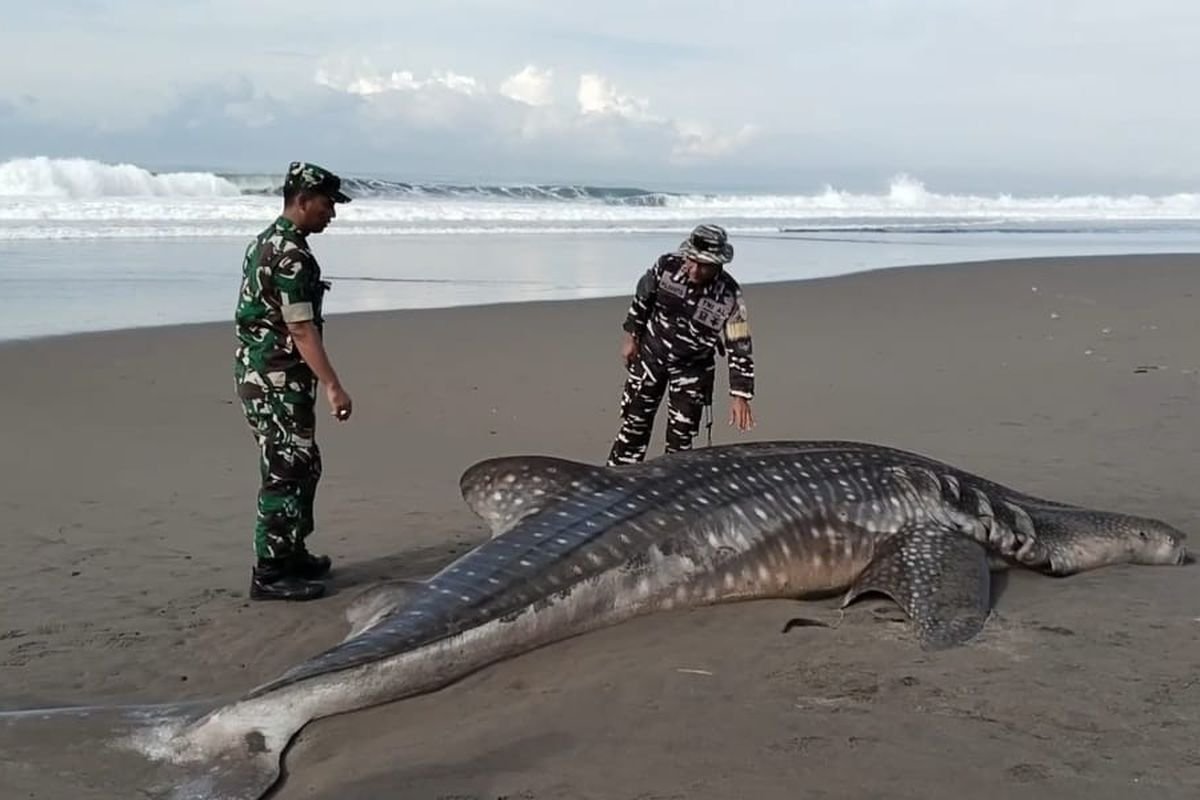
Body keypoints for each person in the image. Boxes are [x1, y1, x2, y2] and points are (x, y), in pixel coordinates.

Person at [233, 161, 354, 601]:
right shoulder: (291, 256)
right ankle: (270, 572)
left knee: (304, 463)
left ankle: (292, 553)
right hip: (274, 379)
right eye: (326, 204)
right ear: (302, 201)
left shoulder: (264, 243)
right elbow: (300, 328)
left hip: (266, 375)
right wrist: (333, 384)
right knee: (286, 470)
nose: (332, 214)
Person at [606, 223, 756, 466]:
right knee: (634, 426)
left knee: (681, 440)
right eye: (691, 260)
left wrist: (740, 394)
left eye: (703, 265)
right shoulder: (666, 266)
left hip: (692, 370)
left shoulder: (729, 295)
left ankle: (672, 489)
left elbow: (739, 344)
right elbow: (643, 298)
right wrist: (631, 337)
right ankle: (618, 479)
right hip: (650, 357)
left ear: (718, 264)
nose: (694, 269)